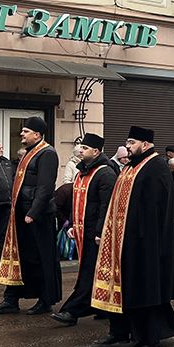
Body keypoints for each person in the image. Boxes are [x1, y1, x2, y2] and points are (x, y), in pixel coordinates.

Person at [91, 125, 174, 347]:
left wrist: (147, 240)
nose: (127, 147)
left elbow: (158, 208)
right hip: (122, 240)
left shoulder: (156, 166)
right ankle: (119, 331)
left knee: (144, 289)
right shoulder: (131, 166)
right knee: (122, 288)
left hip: (145, 242)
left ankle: (148, 337)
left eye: (131, 143)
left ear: (145, 144)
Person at [0, 116, 62, 315]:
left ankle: (45, 300)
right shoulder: (29, 153)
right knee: (20, 256)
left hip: (37, 216)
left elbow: (45, 187)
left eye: (26, 131)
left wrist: (33, 212)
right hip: (21, 214)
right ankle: (11, 299)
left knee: (40, 258)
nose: (22, 133)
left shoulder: (47, 154)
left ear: (37, 134)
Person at [52, 133, 118, 326]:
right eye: (81, 148)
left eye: (85, 148)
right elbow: (77, 201)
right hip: (82, 231)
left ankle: (71, 312)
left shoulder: (105, 173)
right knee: (91, 272)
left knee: (90, 273)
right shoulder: (82, 172)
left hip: (95, 233)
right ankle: (102, 307)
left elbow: (106, 206)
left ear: (96, 151)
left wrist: (100, 232)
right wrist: (72, 224)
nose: (80, 151)